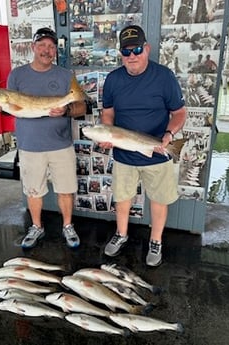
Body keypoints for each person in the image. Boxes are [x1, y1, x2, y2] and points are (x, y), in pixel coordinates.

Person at [0, 27, 86, 249]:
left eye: (51, 46)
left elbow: (80, 106)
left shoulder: (66, 76)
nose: (46, 50)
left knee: (66, 189)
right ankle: (36, 226)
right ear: (33, 47)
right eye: (42, 45)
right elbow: (12, 109)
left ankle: (68, 226)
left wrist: (66, 110)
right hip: (30, 145)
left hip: (61, 143)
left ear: (55, 51)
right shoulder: (17, 75)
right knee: (33, 190)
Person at [100, 25, 187, 266]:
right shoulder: (113, 79)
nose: (132, 56)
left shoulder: (164, 76)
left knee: (158, 199)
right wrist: (108, 132)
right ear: (120, 54)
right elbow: (108, 113)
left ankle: (156, 241)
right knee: (122, 198)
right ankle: (121, 234)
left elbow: (179, 112)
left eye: (137, 49)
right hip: (124, 154)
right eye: (126, 52)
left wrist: (169, 134)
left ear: (146, 48)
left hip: (157, 151)